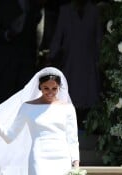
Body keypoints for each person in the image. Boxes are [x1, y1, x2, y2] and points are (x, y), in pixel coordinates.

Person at [49, 0, 102, 129]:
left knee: (88, 93)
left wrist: (100, 60)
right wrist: (51, 56)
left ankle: (85, 125)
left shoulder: (94, 11)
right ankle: (69, 126)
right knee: (70, 93)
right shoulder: (65, 10)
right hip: (70, 60)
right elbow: (58, 35)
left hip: (89, 60)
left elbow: (98, 38)